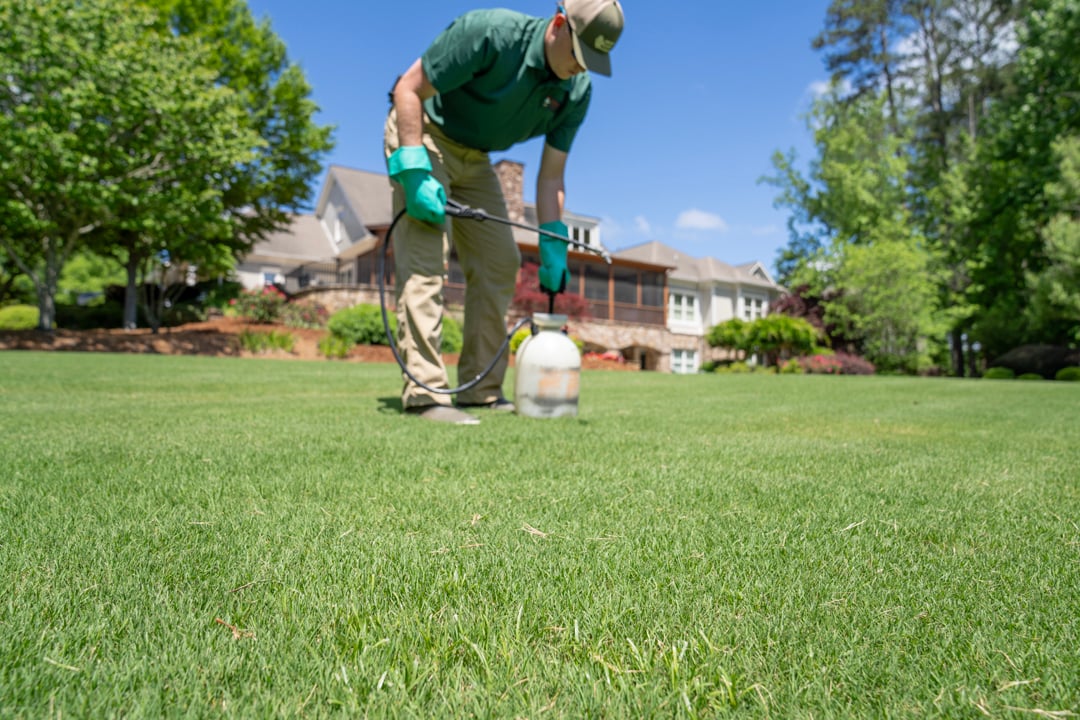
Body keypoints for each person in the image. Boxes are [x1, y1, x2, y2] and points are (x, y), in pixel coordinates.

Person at [385, 0, 625, 425]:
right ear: (558, 26)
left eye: (593, 61)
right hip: (424, 133)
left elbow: (551, 179)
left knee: (500, 262)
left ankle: (481, 390)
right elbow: (408, 88)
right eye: (579, 55)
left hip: (476, 158)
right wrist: (413, 167)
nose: (582, 69)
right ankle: (426, 393)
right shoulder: (491, 33)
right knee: (426, 258)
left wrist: (553, 241)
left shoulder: (576, 91)